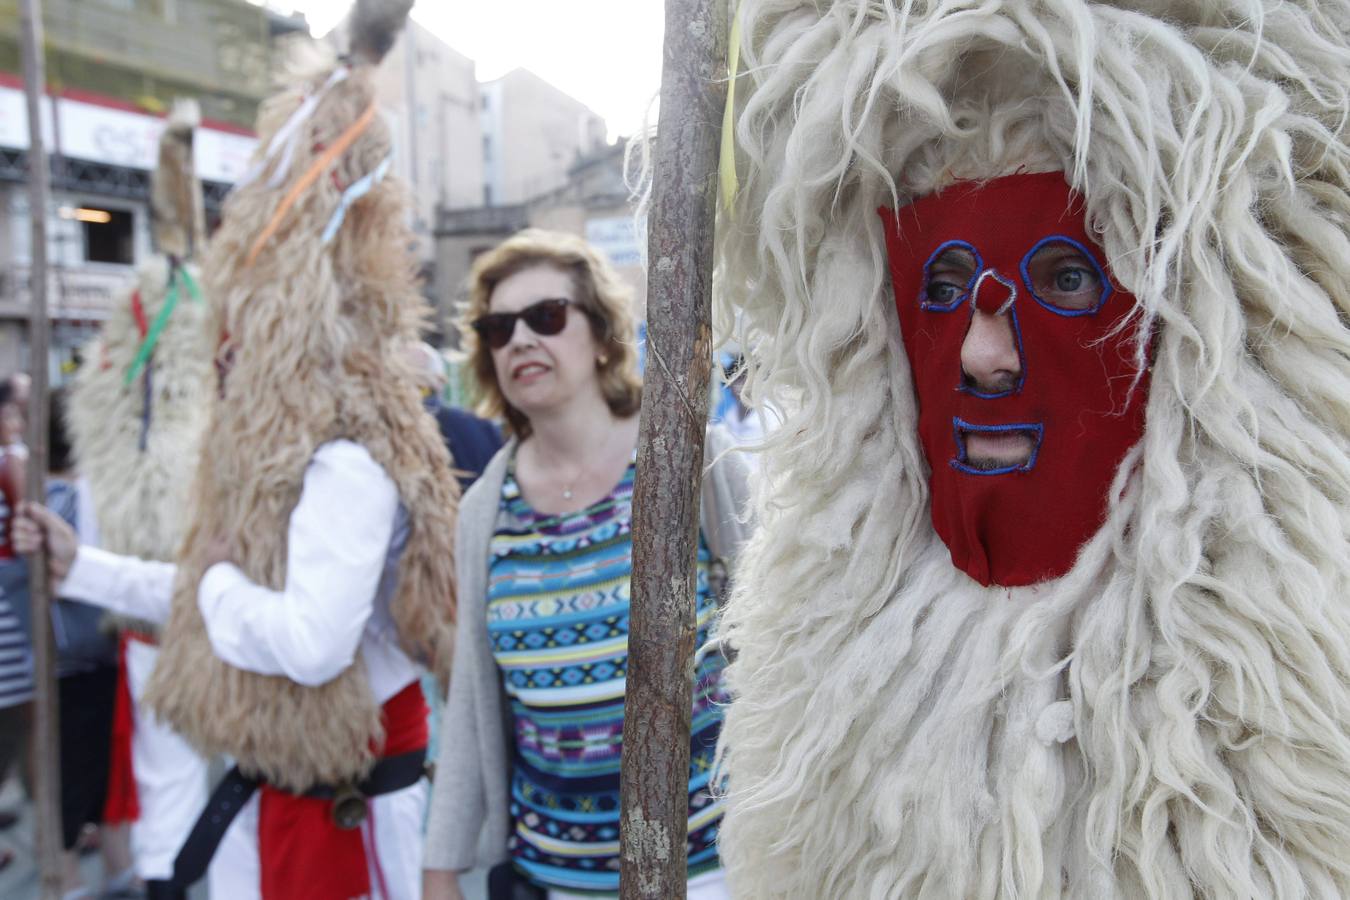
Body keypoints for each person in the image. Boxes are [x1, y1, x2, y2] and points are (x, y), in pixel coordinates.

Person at [711, 0, 1350, 897]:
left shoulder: (1295, 755)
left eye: (1064, 278)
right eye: (946, 283)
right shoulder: (827, 758)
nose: (982, 354)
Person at [15, 0, 460, 896]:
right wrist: (79, 567)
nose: (221, 361)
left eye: (236, 339)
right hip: (281, 796)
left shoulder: (343, 460)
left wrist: (216, 583)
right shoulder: (280, 458)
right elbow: (205, 586)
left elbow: (306, 644)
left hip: (350, 814)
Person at [421, 229, 750, 900]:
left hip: (716, 870)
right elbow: (472, 701)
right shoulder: (484, 507)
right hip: (554, 879)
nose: (519, 340)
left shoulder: (694, 458)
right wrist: (441, 865)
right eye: (498, 327)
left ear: (601, 334)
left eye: (545, 317)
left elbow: (786, 646)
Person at [65, 99, 214, 900]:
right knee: (177, 777)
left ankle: (168, 878)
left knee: (184, 781)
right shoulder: (158, 340)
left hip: (191, 608)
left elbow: (179, 233)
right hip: (165, 616)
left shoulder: (134, 371)